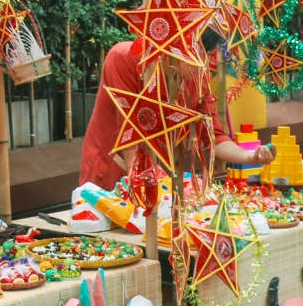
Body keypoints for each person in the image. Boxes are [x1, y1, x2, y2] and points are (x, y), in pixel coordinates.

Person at [76, 31, 273, 198]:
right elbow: (130, 140)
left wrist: (250, 157)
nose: (203, 65)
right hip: (107, 172)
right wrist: (148, 190)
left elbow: (214, 138)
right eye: (199, 55)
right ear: (180, 48)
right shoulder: (124, 57)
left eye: (208, 55)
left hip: (154, 179)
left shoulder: (196, 79)